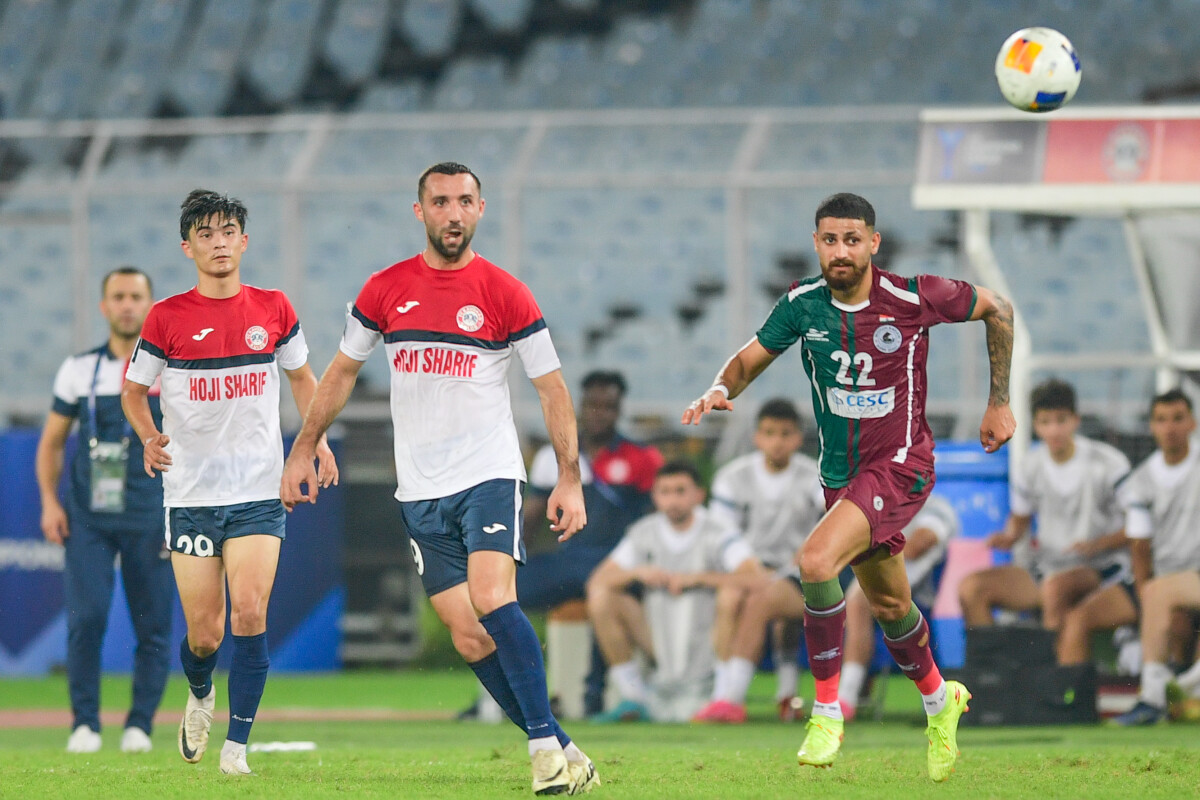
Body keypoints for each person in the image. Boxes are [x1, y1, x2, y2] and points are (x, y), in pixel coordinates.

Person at [280, 163, 598, 795]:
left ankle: (541, 750)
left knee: (492, 597)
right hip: (420, 488)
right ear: (419, 210)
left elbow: (552, 388)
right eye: (441, 201)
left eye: (464, 201)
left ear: (480, 209)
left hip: (488, 473)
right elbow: (341, 372)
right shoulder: (384, 289)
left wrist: (569, 478)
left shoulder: (506, 292)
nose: (453, 213)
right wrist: (304, 445)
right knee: (468, 635)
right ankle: (564, 746)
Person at [682, 192, 1015, 782]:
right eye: (831, 240)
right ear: (817, 243)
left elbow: (998, 307)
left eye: (852, 240)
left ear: (873, 243)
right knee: (890, 605)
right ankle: (941, 701)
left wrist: (999, 402)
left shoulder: (913, 297)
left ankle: (827, 712)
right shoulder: (802, 305)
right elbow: (750, 358)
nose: (841, 251)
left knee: (815, 560)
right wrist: (719, 389)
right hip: (841, 478)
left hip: (902, 464)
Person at [122, 190, 337, 776]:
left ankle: (236, 747)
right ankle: (199, 692)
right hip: (191, 495)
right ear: (187, 247)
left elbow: (303, 379)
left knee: (249, 612)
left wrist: (314, 441)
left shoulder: (273, 307)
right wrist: (149, 436)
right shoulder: (165, 317)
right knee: (204, 635)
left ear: (244, 241)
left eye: (228, 232)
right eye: (206, 234)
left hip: (258, 492)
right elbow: (133, 392)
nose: (218, 243)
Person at [36, 267, 174, 754]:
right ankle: (85, 725)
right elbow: (52, 443)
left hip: (152, 514)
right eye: (118, 296)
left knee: (154, 626)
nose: (127, 305)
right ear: (104, 306)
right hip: (89, 518)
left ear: (150, 305)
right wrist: (49, 502)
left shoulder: (170, 369)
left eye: (136, 296)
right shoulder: (79, 370)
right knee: (87, 619)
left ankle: (140, 726)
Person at [586, 461, 761, 722]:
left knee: (732, 592)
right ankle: (634, 698)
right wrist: (637, 572)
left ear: (699, 495)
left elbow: (756, 578)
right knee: (602, 598)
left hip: (707, 643)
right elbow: (597, 581)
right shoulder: (644, 532)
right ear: (654, 496)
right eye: (664, 492)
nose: (672, 500)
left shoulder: (719, 531)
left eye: (680, 491)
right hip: (658, 642)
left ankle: (724, 697)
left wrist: (699, 578)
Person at [958, 379, 1130, 638]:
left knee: (1055, 589)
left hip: (1101, 569)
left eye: (1061, 420)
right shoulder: (1029, 466)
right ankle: (989, 663)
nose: (1054, 430)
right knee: (972, 588)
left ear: (1075, 420)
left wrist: (1097, 545)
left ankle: (1048, 663)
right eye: (1045, 422)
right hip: (1048, 569)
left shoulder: (1109, 463)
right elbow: (1020, 520)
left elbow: (1138, 526)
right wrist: (1008, 537)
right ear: (1035, 425)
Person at [691, 398, 825, 723]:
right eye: (769, 433)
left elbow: (832, 520)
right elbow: (722, 535)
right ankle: (724, 693)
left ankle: (733, 699)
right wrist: (751, 567)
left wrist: (805, 552)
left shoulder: (815, 476)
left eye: (785, 434)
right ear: (757, 437)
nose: (777, 442)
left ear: (798, 438)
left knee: (761, 600)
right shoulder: (732, 477)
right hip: (747, 570)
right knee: (729, 597)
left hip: (799, 574)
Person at [1109, 389, 1200, 725]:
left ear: (1192, 423)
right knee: (1154, 594)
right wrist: (1144, 598)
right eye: (1162, 420)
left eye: (1177, 418)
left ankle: (1156, 696)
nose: (1170, 427)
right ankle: (1176, 689)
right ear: (1152, 426)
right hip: (1171, 582)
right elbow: (1139, 546)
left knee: (1158, 593)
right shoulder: (1142, 480)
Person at [839, 493, 958, 720]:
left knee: (858, 599)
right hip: (874, 583)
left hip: (914, 595)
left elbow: (918, 545)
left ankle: (846, 698)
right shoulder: (874, 503)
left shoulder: (937, 508)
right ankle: (843, 696)